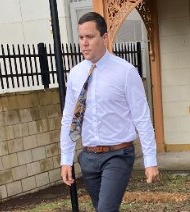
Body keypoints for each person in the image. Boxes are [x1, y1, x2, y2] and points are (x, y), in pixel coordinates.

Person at [60, 12, 159, 211]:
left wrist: (150, 161)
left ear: (104, 38)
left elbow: (142, 118)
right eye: (81, 38)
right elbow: (69, 119)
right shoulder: (76, 74)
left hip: (118, 155)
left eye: (90, 37)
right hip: (88, 157)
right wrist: (66, 159)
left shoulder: (125, 72)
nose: (84, 43)